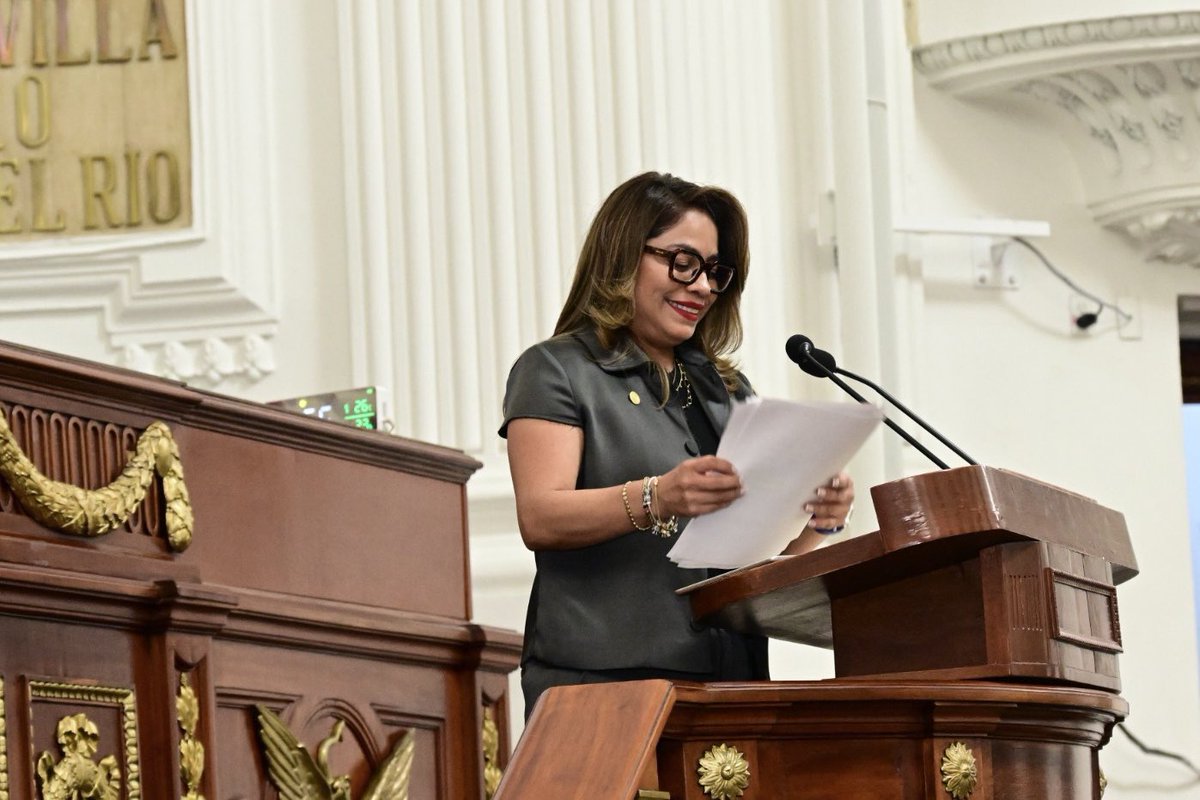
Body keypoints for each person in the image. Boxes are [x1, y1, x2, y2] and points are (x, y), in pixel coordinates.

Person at [499, 171, 855, 715]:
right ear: (623, 256)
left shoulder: (728, 390)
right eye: (683, 263)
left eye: (714, 271)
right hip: (603, 685)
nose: (704, 287)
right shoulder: (557, 369)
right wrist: (658, 496)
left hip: (731, 681)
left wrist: (814, 523)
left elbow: (754, 561)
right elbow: (541, 517)